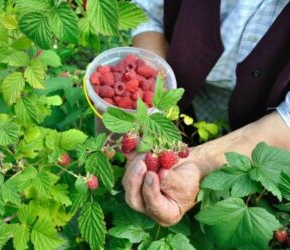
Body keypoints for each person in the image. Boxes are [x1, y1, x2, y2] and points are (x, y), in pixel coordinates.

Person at [122, 0, 290, 226]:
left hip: (268, 125)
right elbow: (146, 11)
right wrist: (151, 98)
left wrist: (201, 162)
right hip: (181, 95)